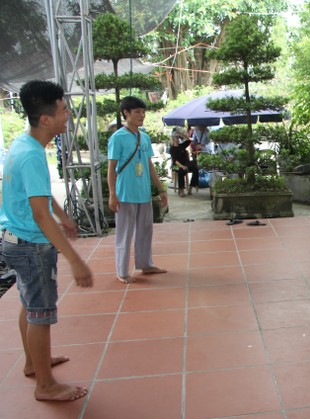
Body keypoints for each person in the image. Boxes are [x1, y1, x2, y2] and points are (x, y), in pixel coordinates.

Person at [0, 80, 93, 401]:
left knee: (30, 305)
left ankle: (32, 363)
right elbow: (40, 215)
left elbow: (38, 195)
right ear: (46, 119)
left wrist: (62, 214)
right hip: (31, 246)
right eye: (63, 110)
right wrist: (75, 260)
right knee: (40, 314)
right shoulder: (32, 155)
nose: (68, 115)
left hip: (15, 240)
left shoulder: (24, 144)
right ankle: (46, 385)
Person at [107, 96, 168, 283]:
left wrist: (161, 189)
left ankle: (145, 264)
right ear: (126, 113)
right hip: (125, 193)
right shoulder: (117, 138)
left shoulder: (145, 137)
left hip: (144, 193)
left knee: (145, 230)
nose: (141, 115)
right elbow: (111, 168)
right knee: (124, 233)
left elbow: (149, 165)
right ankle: (122, 271)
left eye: (143, 112)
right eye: (137, 112)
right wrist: (112, 194)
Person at [169, 128, 199, 197]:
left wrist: (181, 135)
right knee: (181, 171)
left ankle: (191, 187)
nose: (177, 139)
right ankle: (181, 189)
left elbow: (189, 140)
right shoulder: (172, 149)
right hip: (177, 165)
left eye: (178, 137)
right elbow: (175, 161)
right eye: (176, 137)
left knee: (195, 168)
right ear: (173, 139)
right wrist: (182, 166)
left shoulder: (181, 146)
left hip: (186, 164)